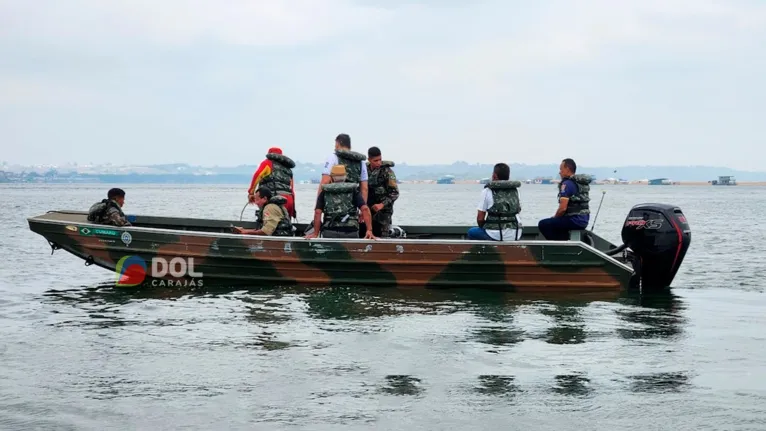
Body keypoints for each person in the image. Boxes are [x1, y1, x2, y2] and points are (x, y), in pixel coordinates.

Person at [305, 164, 376, 239]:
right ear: (345, 177)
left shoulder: (325, 192)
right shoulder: (353, 191)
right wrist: (369, 230)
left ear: (331, 177)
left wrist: (315, 233)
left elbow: (317, 212)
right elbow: (365, 209)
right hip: (350, 231)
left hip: (329, 231)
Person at [537, 158, 591, 240]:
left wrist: (554, 218)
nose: (559, 172)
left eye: (561, 169)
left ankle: (559, 246)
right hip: (584, 220)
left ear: (567, 169)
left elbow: (562, 208)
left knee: (543, 224)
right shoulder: (579, 184)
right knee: (558, 223)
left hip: (574, 220)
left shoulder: (567, 184)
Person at [466, 163, 523, 241]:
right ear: (508, 176)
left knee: (471, 232)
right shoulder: (515, 191)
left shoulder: (487, 191)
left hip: (496, 235)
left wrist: (486, 227)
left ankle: (486, 252)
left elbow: (480, 218)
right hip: (516, 234)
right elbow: (518, 210)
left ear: (494, 176)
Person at [247, 147, 297, 219]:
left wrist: (251, 193)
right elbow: (291, 189)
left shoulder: (267, 163)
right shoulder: (288, 169)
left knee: (269, 227)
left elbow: (257, 175)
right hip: (289, 200)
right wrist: (293, 208)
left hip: (274, 200)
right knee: (286, 226)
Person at [318, 134, 369, 203]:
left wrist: (318, 207)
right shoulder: (361, 162)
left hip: (333, 205)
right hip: (352, 206)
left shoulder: (332, 158)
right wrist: (363, 209)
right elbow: (364, 188)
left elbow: (325, 181)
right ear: (349, 146)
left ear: (338, 143)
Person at [365, 146, 399, 238]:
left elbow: (395, 193)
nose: (378, 163)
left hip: (384, 212)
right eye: (375, 161)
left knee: (383, 238)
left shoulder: (387, 171)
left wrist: (382, 205)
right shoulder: (364, 170)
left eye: (380, 159)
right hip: (368, 210)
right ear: (369, 159)